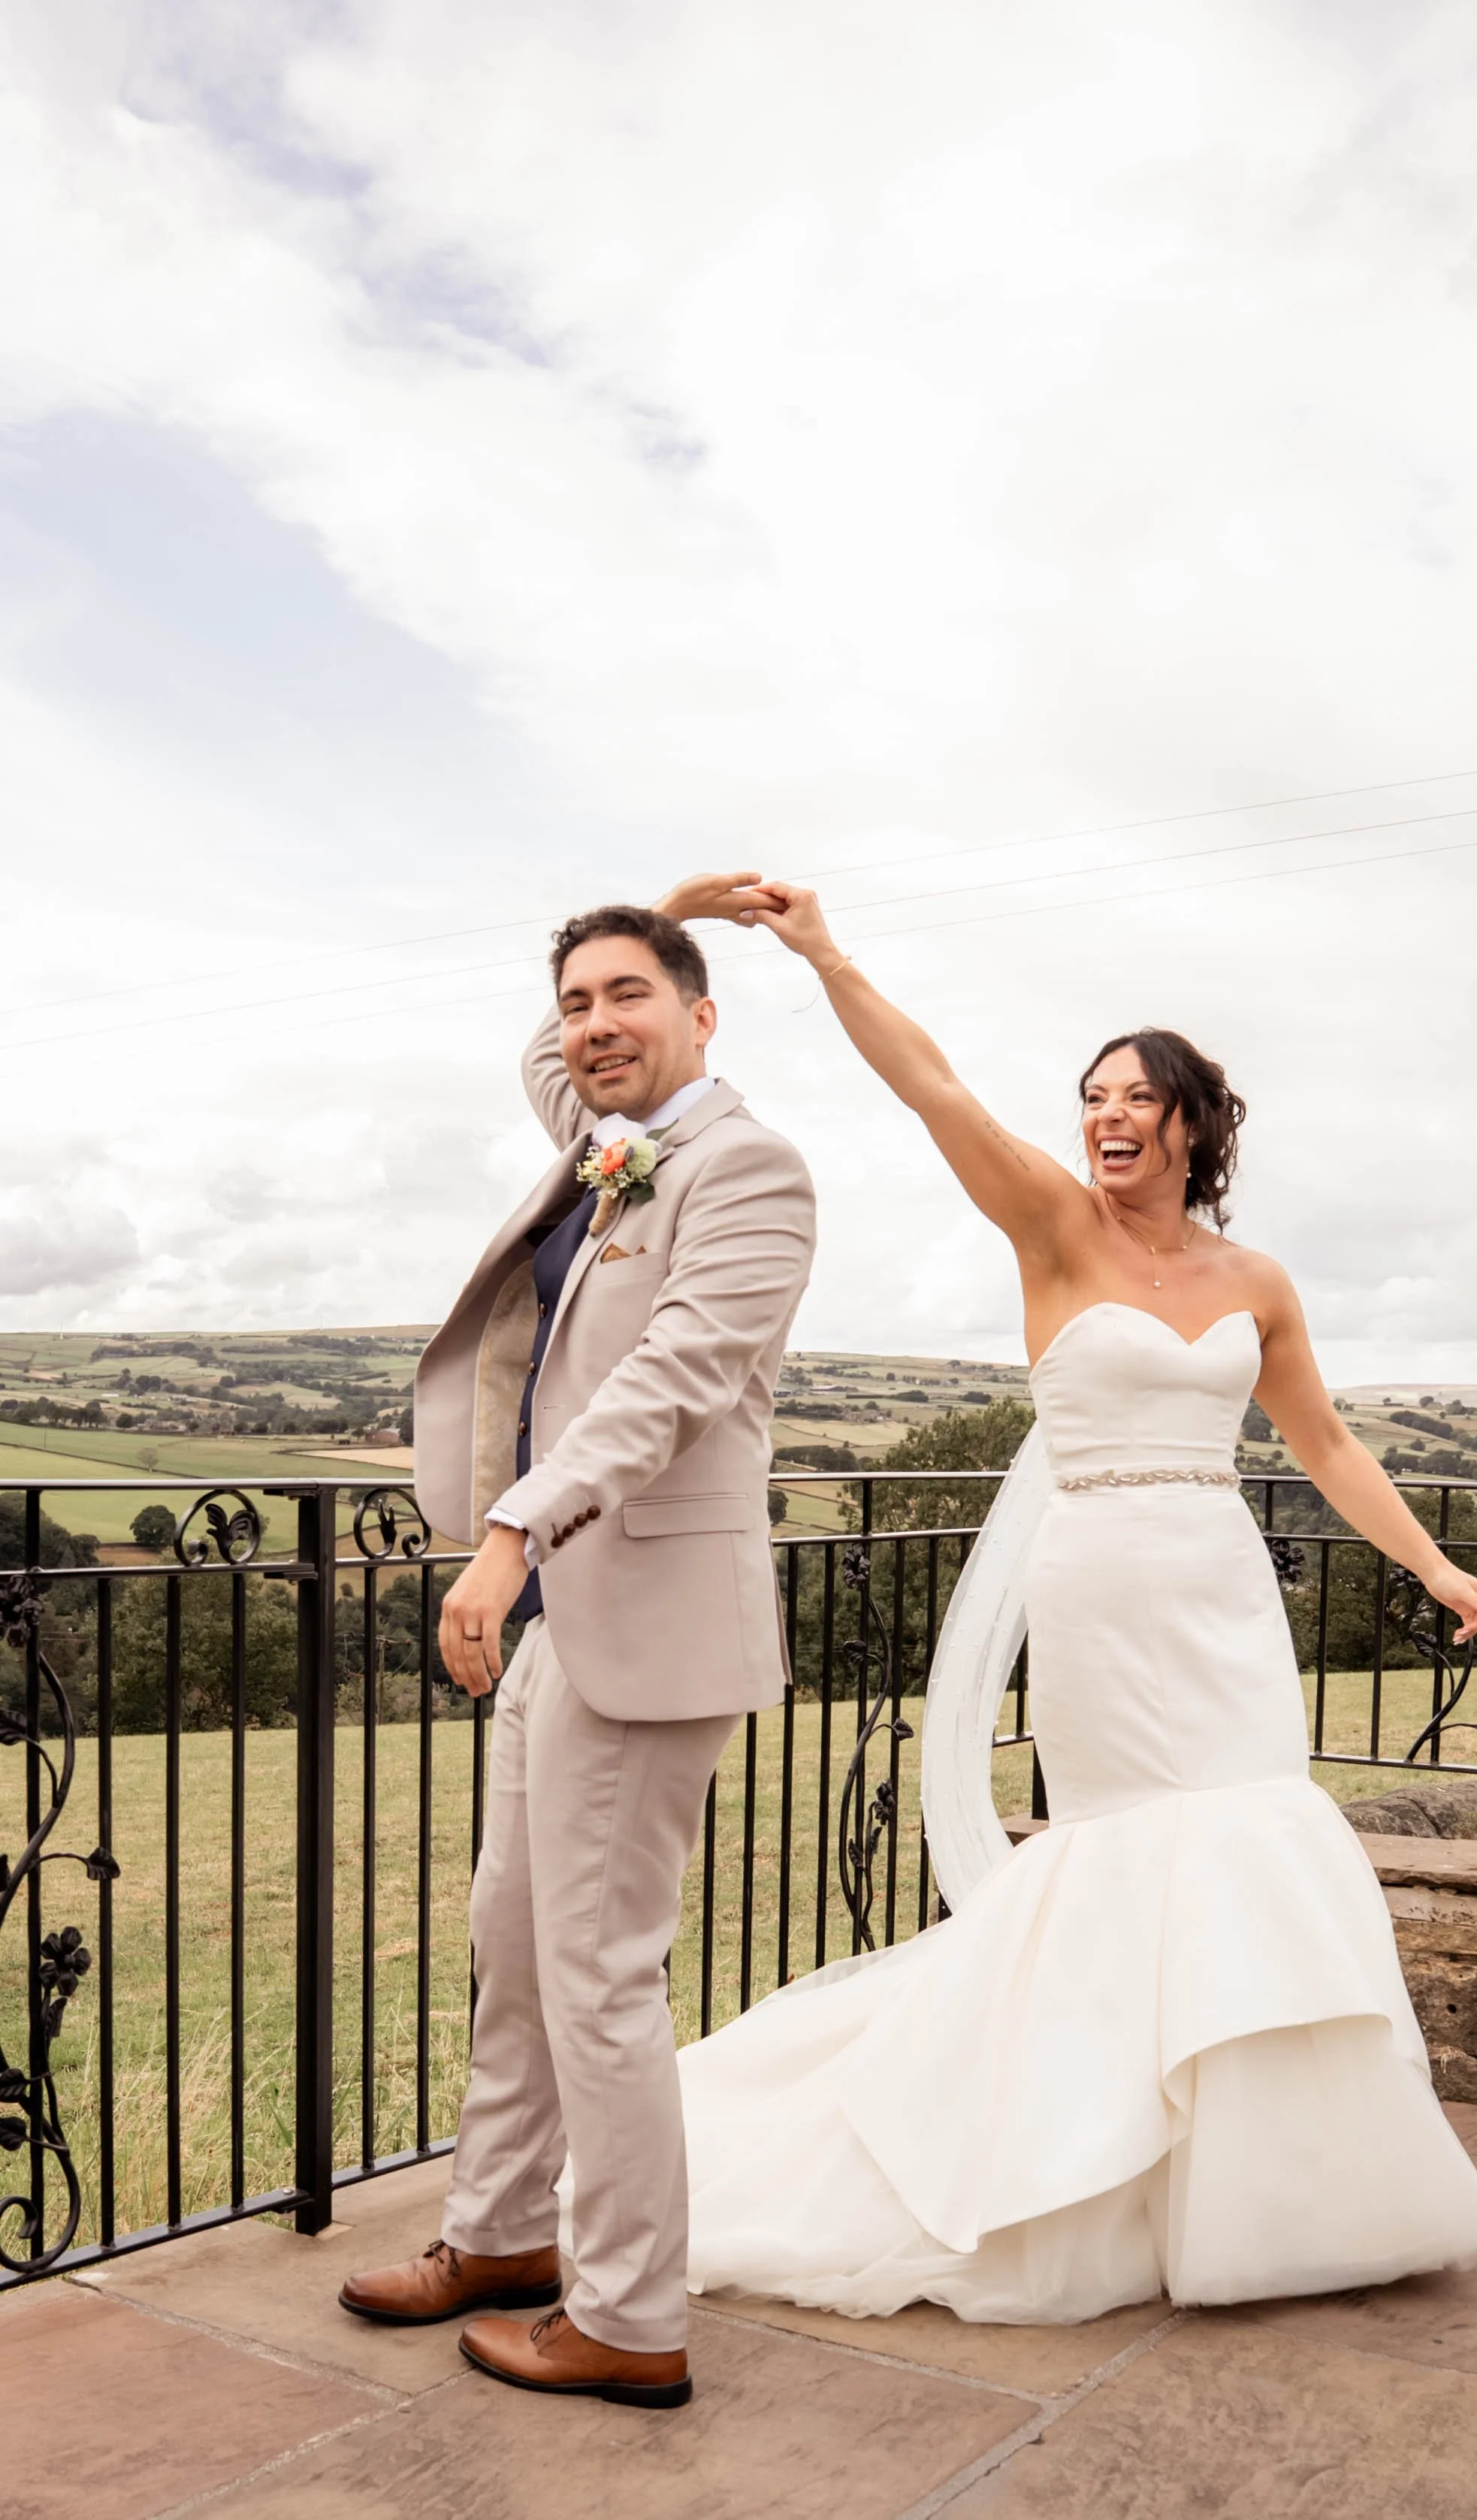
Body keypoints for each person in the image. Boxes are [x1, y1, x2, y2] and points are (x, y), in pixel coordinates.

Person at [631, 872, 1477, 2323]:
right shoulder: (1048, 1221)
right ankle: (1084, 2160)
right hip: (1099, 1580)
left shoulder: (1259, 1279)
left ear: (1193, 1125)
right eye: (1092, 1093)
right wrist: (826, 954)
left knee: (1253, 1834)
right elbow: (935, 1088)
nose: (1105, 1116)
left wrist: (1431, 1561)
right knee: (1134, 1856)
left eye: (1135, 1099)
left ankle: (1269, 2189)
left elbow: (1328, 1441)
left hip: (1222, 1586)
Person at [337, 879, 816, 2404]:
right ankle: (497, 2238)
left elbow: (666, 1382)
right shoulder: (603, 1141)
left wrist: (508, 1533)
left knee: (601, 1977)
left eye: (631, 995)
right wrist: (661, 911)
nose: (593, 1029)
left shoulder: (748, 1171)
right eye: (576, 1003)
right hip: (561, 1627)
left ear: (704, 1015)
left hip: (647, 1625)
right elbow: (552, 1068)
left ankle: (626, 2317)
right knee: (515, 1954)